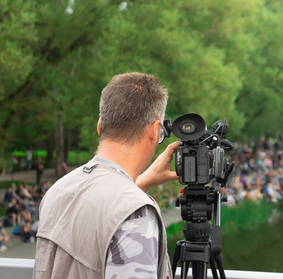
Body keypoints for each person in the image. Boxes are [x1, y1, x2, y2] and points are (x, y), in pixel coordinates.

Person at [34, 72, 179, 279]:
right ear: (155, 130)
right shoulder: (136, 214)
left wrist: (142, 182)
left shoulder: (58, 189)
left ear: (100, 125)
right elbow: (116, 213)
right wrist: (135, 199)